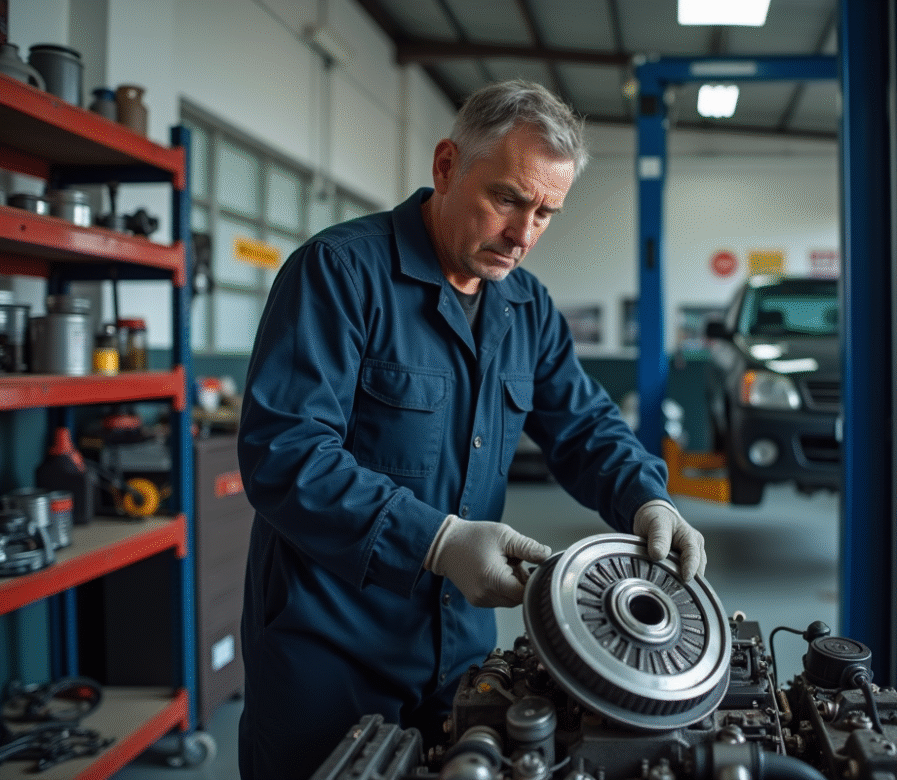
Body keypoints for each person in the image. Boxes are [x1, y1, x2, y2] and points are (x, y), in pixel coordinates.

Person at [235, 79, 707, 780]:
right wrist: (438, 540)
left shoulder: (527, 308)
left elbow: (582, 424)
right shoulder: (339, 272)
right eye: (509, 199)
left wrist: (649, 500)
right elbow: (286, 454)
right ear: (447, 166)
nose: (523, 235)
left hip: (462, 654)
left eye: (546, 213)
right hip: (328, 650)